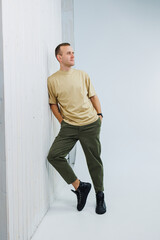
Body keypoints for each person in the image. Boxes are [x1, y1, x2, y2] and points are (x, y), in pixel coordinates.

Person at [47, 43, 106, 214]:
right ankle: (80, 186)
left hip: (90, 124)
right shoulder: (52, 80)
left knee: (94, 161)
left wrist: (100, 115)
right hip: (69, 127)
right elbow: (53, 105)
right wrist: (62, 122)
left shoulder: (82, 75)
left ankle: (100, 195)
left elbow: (93, 96)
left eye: (73, 53)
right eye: (68, 53)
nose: (73, 55)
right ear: (59, 57)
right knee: (54, 155)